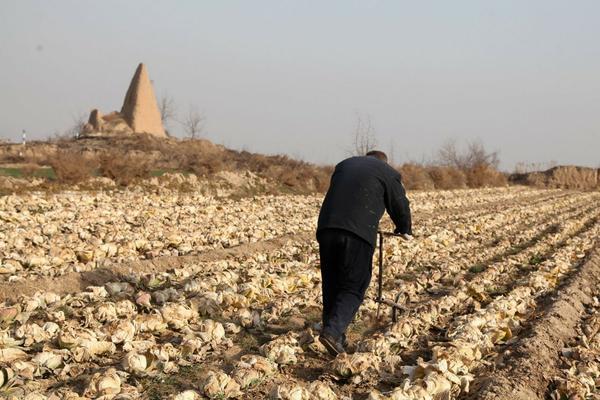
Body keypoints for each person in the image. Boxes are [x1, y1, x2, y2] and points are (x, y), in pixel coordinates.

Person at [316, 150, 412, 355]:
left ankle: (335, 334)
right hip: (357, 233)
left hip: (327, 228)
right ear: (384, 162)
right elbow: (399, 203)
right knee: (354, 285)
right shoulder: (387, 171)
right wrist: (404, 228)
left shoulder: (344, 165)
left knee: (332, 282)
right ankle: (332, 332)